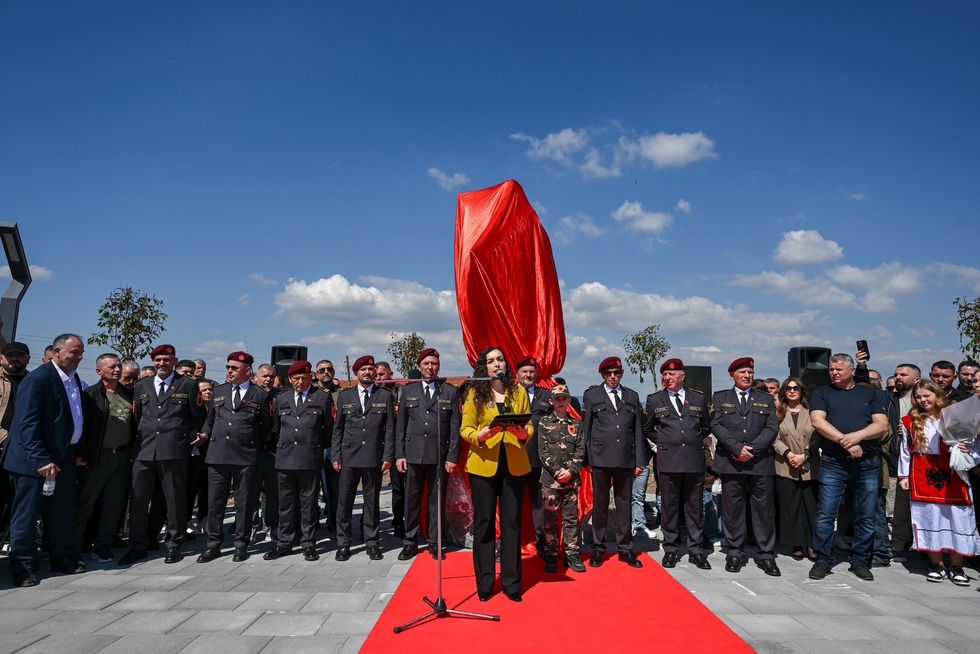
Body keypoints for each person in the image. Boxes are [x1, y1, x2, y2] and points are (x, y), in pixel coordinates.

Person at [3, 334, 86, 586]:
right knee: (26, 517)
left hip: (64, 459)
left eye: (81, 352)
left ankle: (60, 558)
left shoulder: (73, 378)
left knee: (61, 514)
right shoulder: (37, 379)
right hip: (34, 463)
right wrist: (41, 459)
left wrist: (76, 452)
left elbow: (71, 417)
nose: (79, 357)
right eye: (74, 352)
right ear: (57, 352)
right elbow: (26, 424)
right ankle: (23, 567)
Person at [120, 344, 205, 566]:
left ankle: (174, 543)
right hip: (144, 450)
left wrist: (191, 439)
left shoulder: (187, 385)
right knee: (138, 499)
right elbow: (138, 417)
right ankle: (138, 544)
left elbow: (196, 416)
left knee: (174, 499)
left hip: (174, 451)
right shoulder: (142, 385)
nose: (161, 364)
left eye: (166, 360)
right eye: (157, 360)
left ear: (174, 361)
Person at [460, 346, 533, 601]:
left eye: (500, 359)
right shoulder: (475, 394)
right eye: (491, 361)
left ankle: (512, 584)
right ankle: (485, 582)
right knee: (484, 523)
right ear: (485, 367)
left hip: (514, 463)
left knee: (512, 524)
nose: (496, 364)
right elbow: (465, 429)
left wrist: (524, 434)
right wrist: (479, 436)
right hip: (483, 464)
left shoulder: (518, 391)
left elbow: (529, 426)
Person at [809, 353, 889, 581]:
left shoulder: (871, 393)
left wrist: (856, 437)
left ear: (852, 371)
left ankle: (860, 560)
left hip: (867, 463)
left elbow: (881, 425)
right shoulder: (822, 393)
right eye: (831, 369)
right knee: (826, 513)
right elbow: (818, 421)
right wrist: (846, 442)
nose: (834, 373)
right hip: (833, 462)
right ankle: (823, 559)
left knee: (866, 515)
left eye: (839, 369)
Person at [898, 381, 980, 585]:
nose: (923, 400)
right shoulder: (910, 421)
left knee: (958, 518)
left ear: (937, 395)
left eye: (927, 395)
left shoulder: (954, 416)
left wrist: (968, 452)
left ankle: (957, 566)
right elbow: (905, 450)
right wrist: (903, 476)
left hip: (953, 473)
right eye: (918, 397)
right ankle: (937, 565)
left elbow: (974, 444)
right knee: (929, 518)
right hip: (922, 472)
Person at [197, 351, 272, 563]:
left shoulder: (260, 395)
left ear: (247, 370)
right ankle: (213, 544)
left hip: (245, 456)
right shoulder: (219, 391)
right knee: (215, 502)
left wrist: (252, 444)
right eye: (228, 367)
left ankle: (241, 543)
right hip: (218, 455)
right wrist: (204, 434)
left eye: (234, 368)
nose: (229, 371)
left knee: (244, 502)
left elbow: (267, 426)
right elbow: (210, 420)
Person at [711, 357, 780, 576]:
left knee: (764, 511)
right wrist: (736, 448)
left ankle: (766, 554)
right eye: (742, 372)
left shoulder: (764, 398)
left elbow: (771, 428)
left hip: (759, 462)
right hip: (732, 462)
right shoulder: (721, 397)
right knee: (733, 510)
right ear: (732, 374)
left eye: (750, 372)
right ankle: (735, 552)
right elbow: (716, 425)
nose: (747, 376)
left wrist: (752, 449)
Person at [644, 358, 712, 570]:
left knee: (695, 508)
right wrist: (664, 443)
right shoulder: (655, 400)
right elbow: (647, 428)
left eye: (671, 374)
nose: (667, 378)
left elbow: (706, 426)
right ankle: (671, 549)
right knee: (669, 507)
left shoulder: (698, 398)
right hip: (668, 461)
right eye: (664, 374)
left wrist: (691, 441)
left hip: (693, 461)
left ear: (682, 375)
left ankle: (696, 551)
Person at [582, 356, 647, 569]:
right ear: (602, 375)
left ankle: (625, 548)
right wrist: (586, 459)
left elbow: (637, 430)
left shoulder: (631, 396)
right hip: (600, 458)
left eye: (616, 373)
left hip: (625, 458)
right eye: (608, 373)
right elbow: (586, 428)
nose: (612, 377)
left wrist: (640, 461)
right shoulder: (592, 395)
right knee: (600, 504)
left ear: (621, 374)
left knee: (624, 505)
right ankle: (598, 548)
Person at [264, 360, 332, 562]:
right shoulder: (281, 398)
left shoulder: (321, 397)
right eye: (296, 378)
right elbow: (276, 429)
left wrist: (314, 447)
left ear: (311, 377)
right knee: (285, 504)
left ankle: (308, 542)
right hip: (285, 459)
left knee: (308, 503)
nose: (300, 382)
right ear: (290, 379)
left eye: (304, 378)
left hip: (309, 458)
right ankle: (284, 542)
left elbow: (328, 430)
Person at [395, 348, 458, 560]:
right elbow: (401, 426)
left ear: (438, 366)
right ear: (419, 366)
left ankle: (435, 541)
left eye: (434, 364)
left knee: (436, 501)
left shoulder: (448, 391)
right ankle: (410, 541)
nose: (430, 367)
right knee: (411, 500)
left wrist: (452, 456)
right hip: (413, 454)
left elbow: (454, 427)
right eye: (426, 364)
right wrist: (400, 454)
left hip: (438, 455)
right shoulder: (409, 391)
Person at [332, 355, 395, 561]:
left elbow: (389, 429)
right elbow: (338, 428)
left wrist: (388, 455)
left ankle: (372, 542)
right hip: (348, 457)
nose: (368, 372)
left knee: (371, 502)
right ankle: (343, 543)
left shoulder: (384, 395)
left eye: (370, 369)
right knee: (345, 502)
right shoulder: (345, 395)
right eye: (363, 370)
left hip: (373, 456)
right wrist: (336, 455)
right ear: (356, 373)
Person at [74, 353, 135, 563]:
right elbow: (80, 427)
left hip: (122, 456)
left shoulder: (128, 394)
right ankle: (75, 547)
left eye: (119, 366)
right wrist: (80, 454)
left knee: (114, 504)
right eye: (111, 367)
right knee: (85, 504)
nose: (117, 370)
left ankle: (103, 545)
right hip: (97, 458)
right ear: (99, 371)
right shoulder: (90, 395)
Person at [538, 384, 586, 573]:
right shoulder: (544, 423)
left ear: (569, 401)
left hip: (571, 481)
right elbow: (542, 452)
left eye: (564, 398)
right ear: (551, 401)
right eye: (557, 399)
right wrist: (558, 472)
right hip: (551, 481)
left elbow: (580, 451)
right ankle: (551, 553)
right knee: (550, 520)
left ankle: (571, 553)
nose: (560, 402)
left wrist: (571, 471)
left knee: (571, 519)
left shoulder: (577, 424)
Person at [772, 377, 818, 561]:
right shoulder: (777, 413)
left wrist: (805, 454)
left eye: (796, 388)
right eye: (788, 388)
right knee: (790, 507)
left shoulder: (812, 412)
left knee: (811, 506)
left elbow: (818, 435)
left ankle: (813, 543)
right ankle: (796, 544)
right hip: (785, 464)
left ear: (802, 391)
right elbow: (773, 437)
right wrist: (789, 454)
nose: (792, 391)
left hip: (809, 464)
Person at [515, 355, 552, 555]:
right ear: (517, 374)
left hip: (538, 460)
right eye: (524, 371)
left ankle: (542, 543)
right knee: (511, 503)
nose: (528, 375)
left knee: (540, 505)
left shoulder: (546, 395)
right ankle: (508, 543)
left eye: (531, 371)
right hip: (514, 458)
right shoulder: (509, 394)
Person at [0, 341, 30, 544]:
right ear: (1, 358)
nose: (15, 359)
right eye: (10, 356)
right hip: (4, 444)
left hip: (22, 450)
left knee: (15, 499)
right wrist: (5, 438)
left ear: (27, 359)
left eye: (19, 355)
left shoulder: (33, 381)